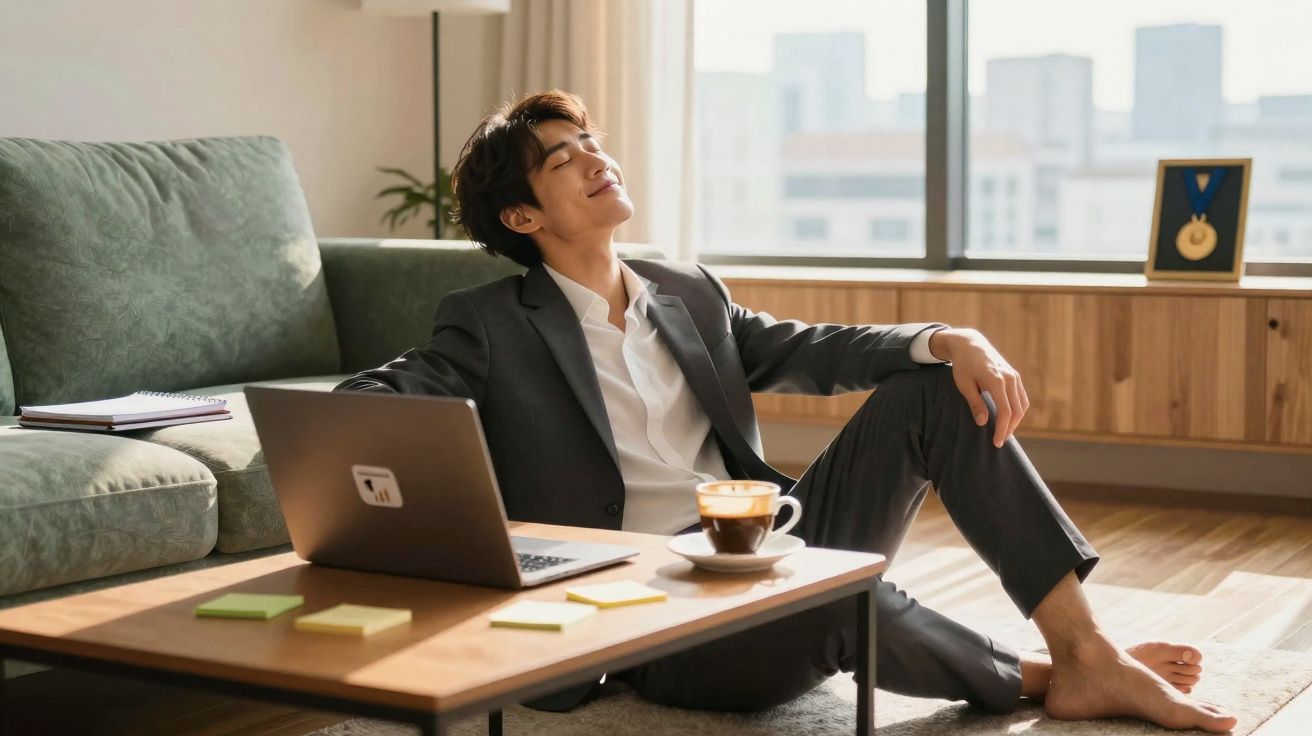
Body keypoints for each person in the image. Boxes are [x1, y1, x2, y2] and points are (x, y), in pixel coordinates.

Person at [335, 90, 1236, 732]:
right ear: (523, 218)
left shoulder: (686, 291)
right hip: (660, 621)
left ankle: (1080, 647)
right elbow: (376, 401)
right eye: (561, 159)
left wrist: (948, 334)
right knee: (830, 602)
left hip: (768, 542)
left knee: (929, 390)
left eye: (591, 142)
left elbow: (815, 348)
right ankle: (1046, 674)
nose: (595, 159)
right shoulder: (493, 325)